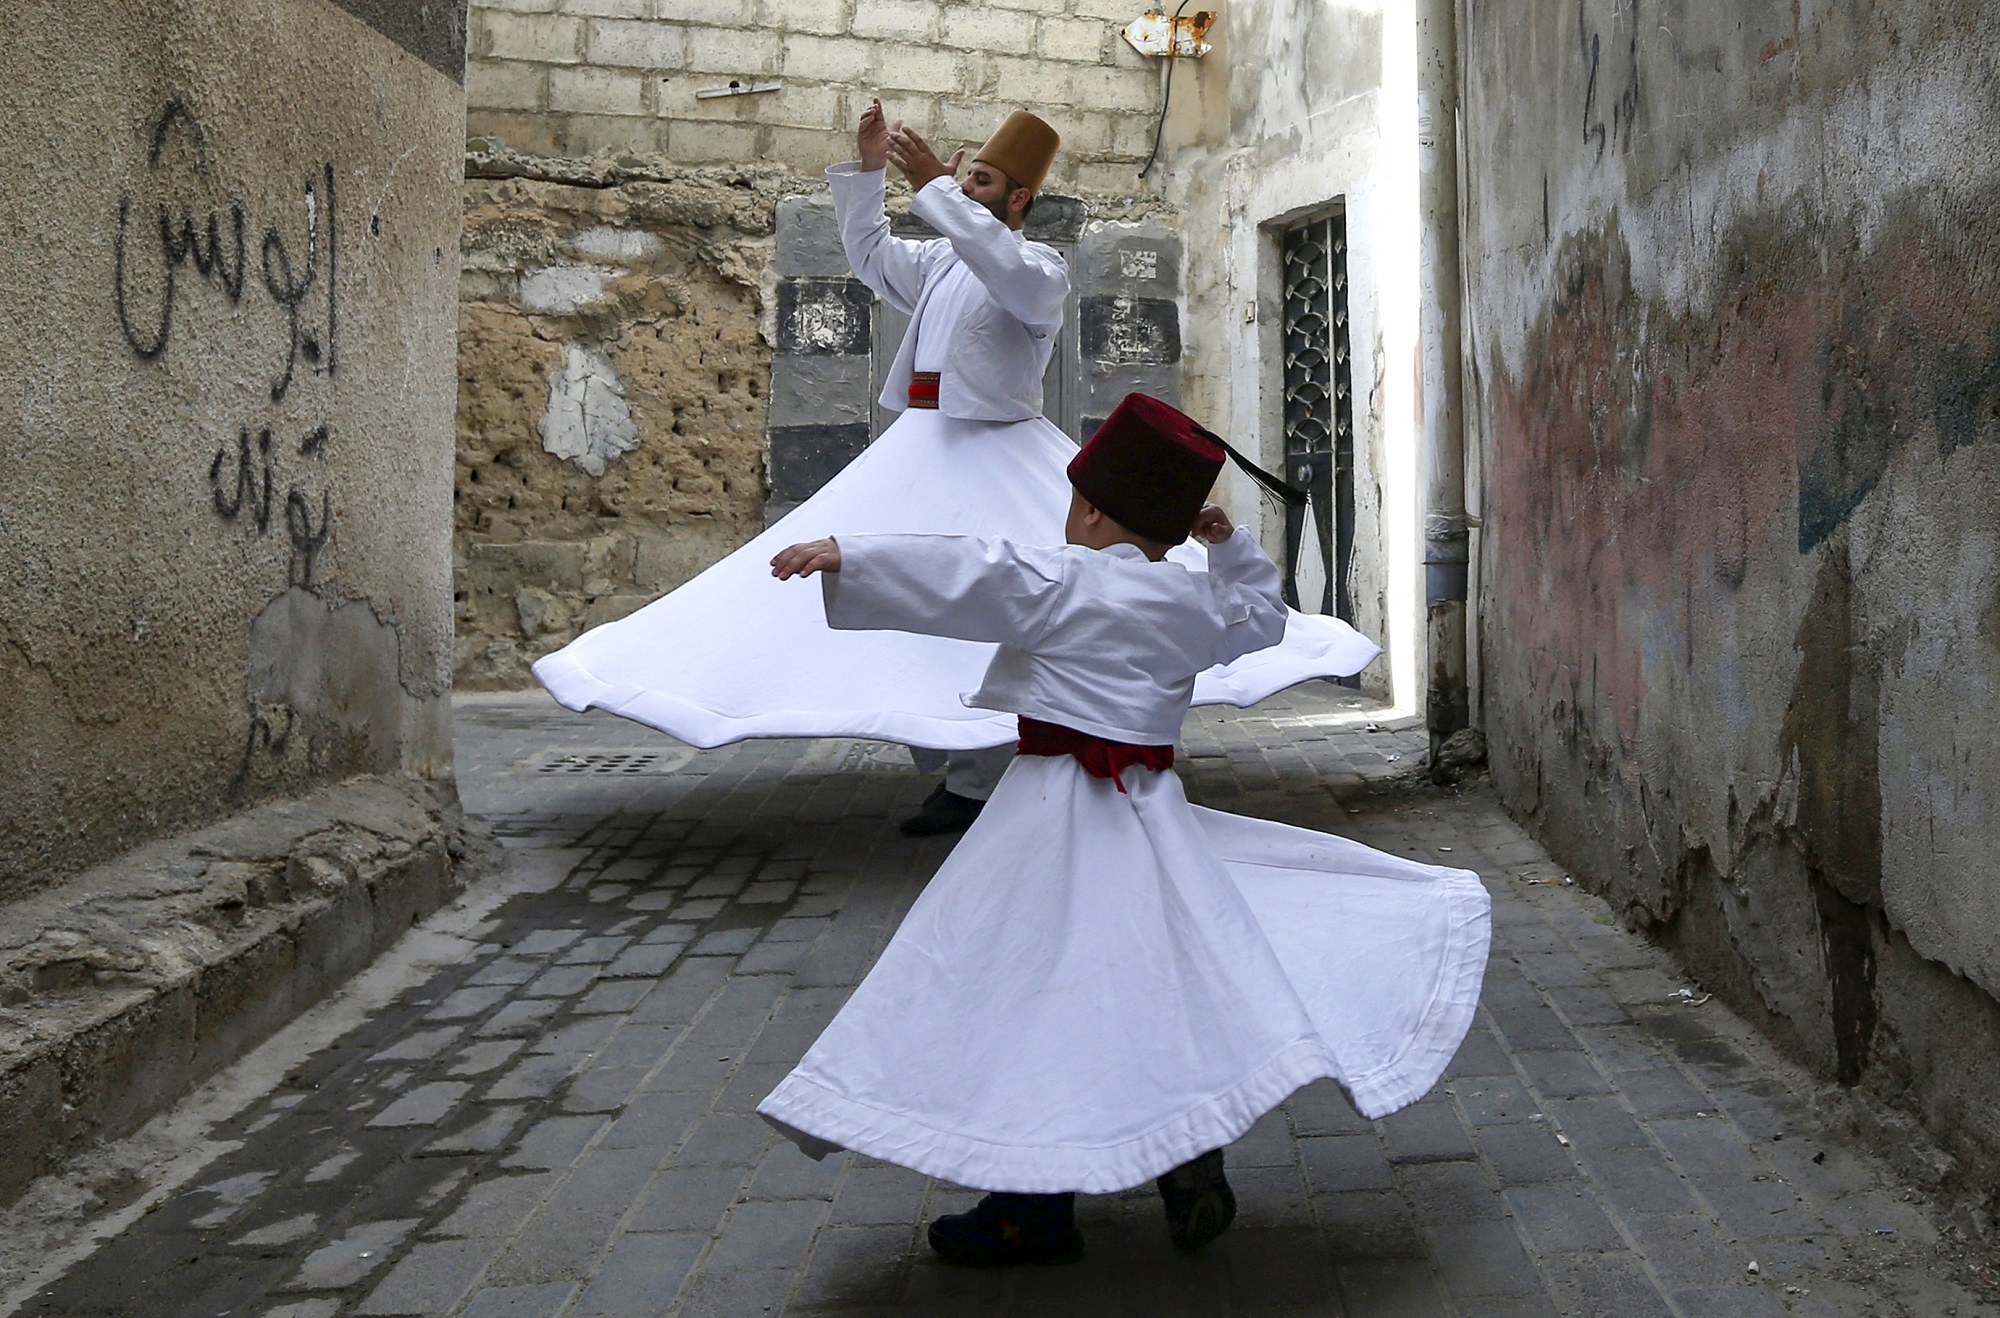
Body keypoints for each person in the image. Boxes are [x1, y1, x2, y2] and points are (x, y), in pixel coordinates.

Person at [756, 394, 1492, 1265]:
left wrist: (852, 555)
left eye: (1073, 502)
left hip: (1052, 822)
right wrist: (1229, 549)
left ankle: (1029, 1207)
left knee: (1023, 991)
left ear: (1094, 508)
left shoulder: (1070, 581)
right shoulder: (1191, 605)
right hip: (1151, 818)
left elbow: (979, 573)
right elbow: (1258, 616)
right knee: (1146, 983)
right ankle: (1181, 1151)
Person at [530, 105, 1381, 835]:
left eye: (981, 183)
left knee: (1006, 593)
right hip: (921, 446)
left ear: (1019, 199)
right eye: (963, 178)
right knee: (917, 600)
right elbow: (870, 257)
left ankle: (982, 779)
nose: (964, 191)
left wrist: (936, 185)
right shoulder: (941, 260)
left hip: (1002, 450)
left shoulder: (1038, 270)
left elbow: (1004, 268)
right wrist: (870, 174)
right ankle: (957, 769)